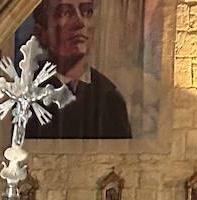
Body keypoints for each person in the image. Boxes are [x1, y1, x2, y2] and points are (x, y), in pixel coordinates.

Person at [29, 0, 132, 139]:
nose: (80, 23)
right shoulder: (27, 94)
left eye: (87, 12)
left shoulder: (110, 99)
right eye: (64, 12)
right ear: (41, 33)